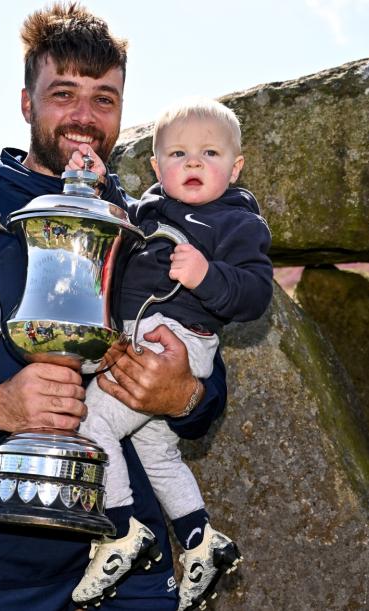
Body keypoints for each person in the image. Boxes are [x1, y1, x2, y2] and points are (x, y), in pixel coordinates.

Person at [0, 4, 228, 610]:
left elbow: (207, 393)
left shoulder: (147, 227)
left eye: (105, 98)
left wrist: (182, 394)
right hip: (0, 572)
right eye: (64, 93)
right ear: (27, 103)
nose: (85, 116)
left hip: (131, 565)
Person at [67, 98, 273, 610]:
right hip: (142, 336)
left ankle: (119, 531)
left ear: (236, 166)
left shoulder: (236, 224)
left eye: (210, 152)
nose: (194, 163)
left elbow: (255, 295)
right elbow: (120, 218)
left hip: (175, 339)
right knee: (157, 453)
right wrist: (96, 180)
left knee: (90, 421)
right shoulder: (151, 210)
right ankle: (202, 541)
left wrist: (207, 275)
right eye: (178, 153)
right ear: (157, 168)